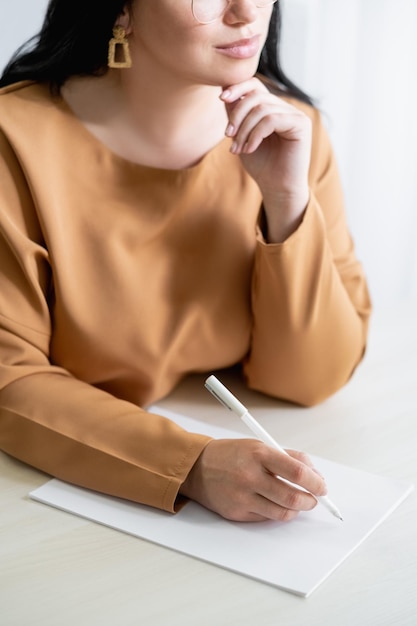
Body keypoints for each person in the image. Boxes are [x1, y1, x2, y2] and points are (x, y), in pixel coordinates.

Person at [0, 0, 371, 523]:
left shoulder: (292, 130)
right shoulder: (14, 141)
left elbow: (312, 379)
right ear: (120, 10)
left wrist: (286, 202)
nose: (246, 12)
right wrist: (191, 466)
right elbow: (9, 379)